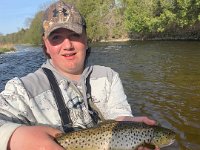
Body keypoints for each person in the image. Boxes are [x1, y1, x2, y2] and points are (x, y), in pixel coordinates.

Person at [0, 1, 159, 150]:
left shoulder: (108, 77)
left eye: (74, 35)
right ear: (46, 46)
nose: (68, 45)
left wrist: (124, 124)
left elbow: (118, 115)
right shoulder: (22, 89)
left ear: (86, 39)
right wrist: (16, 137)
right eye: (56, 38)